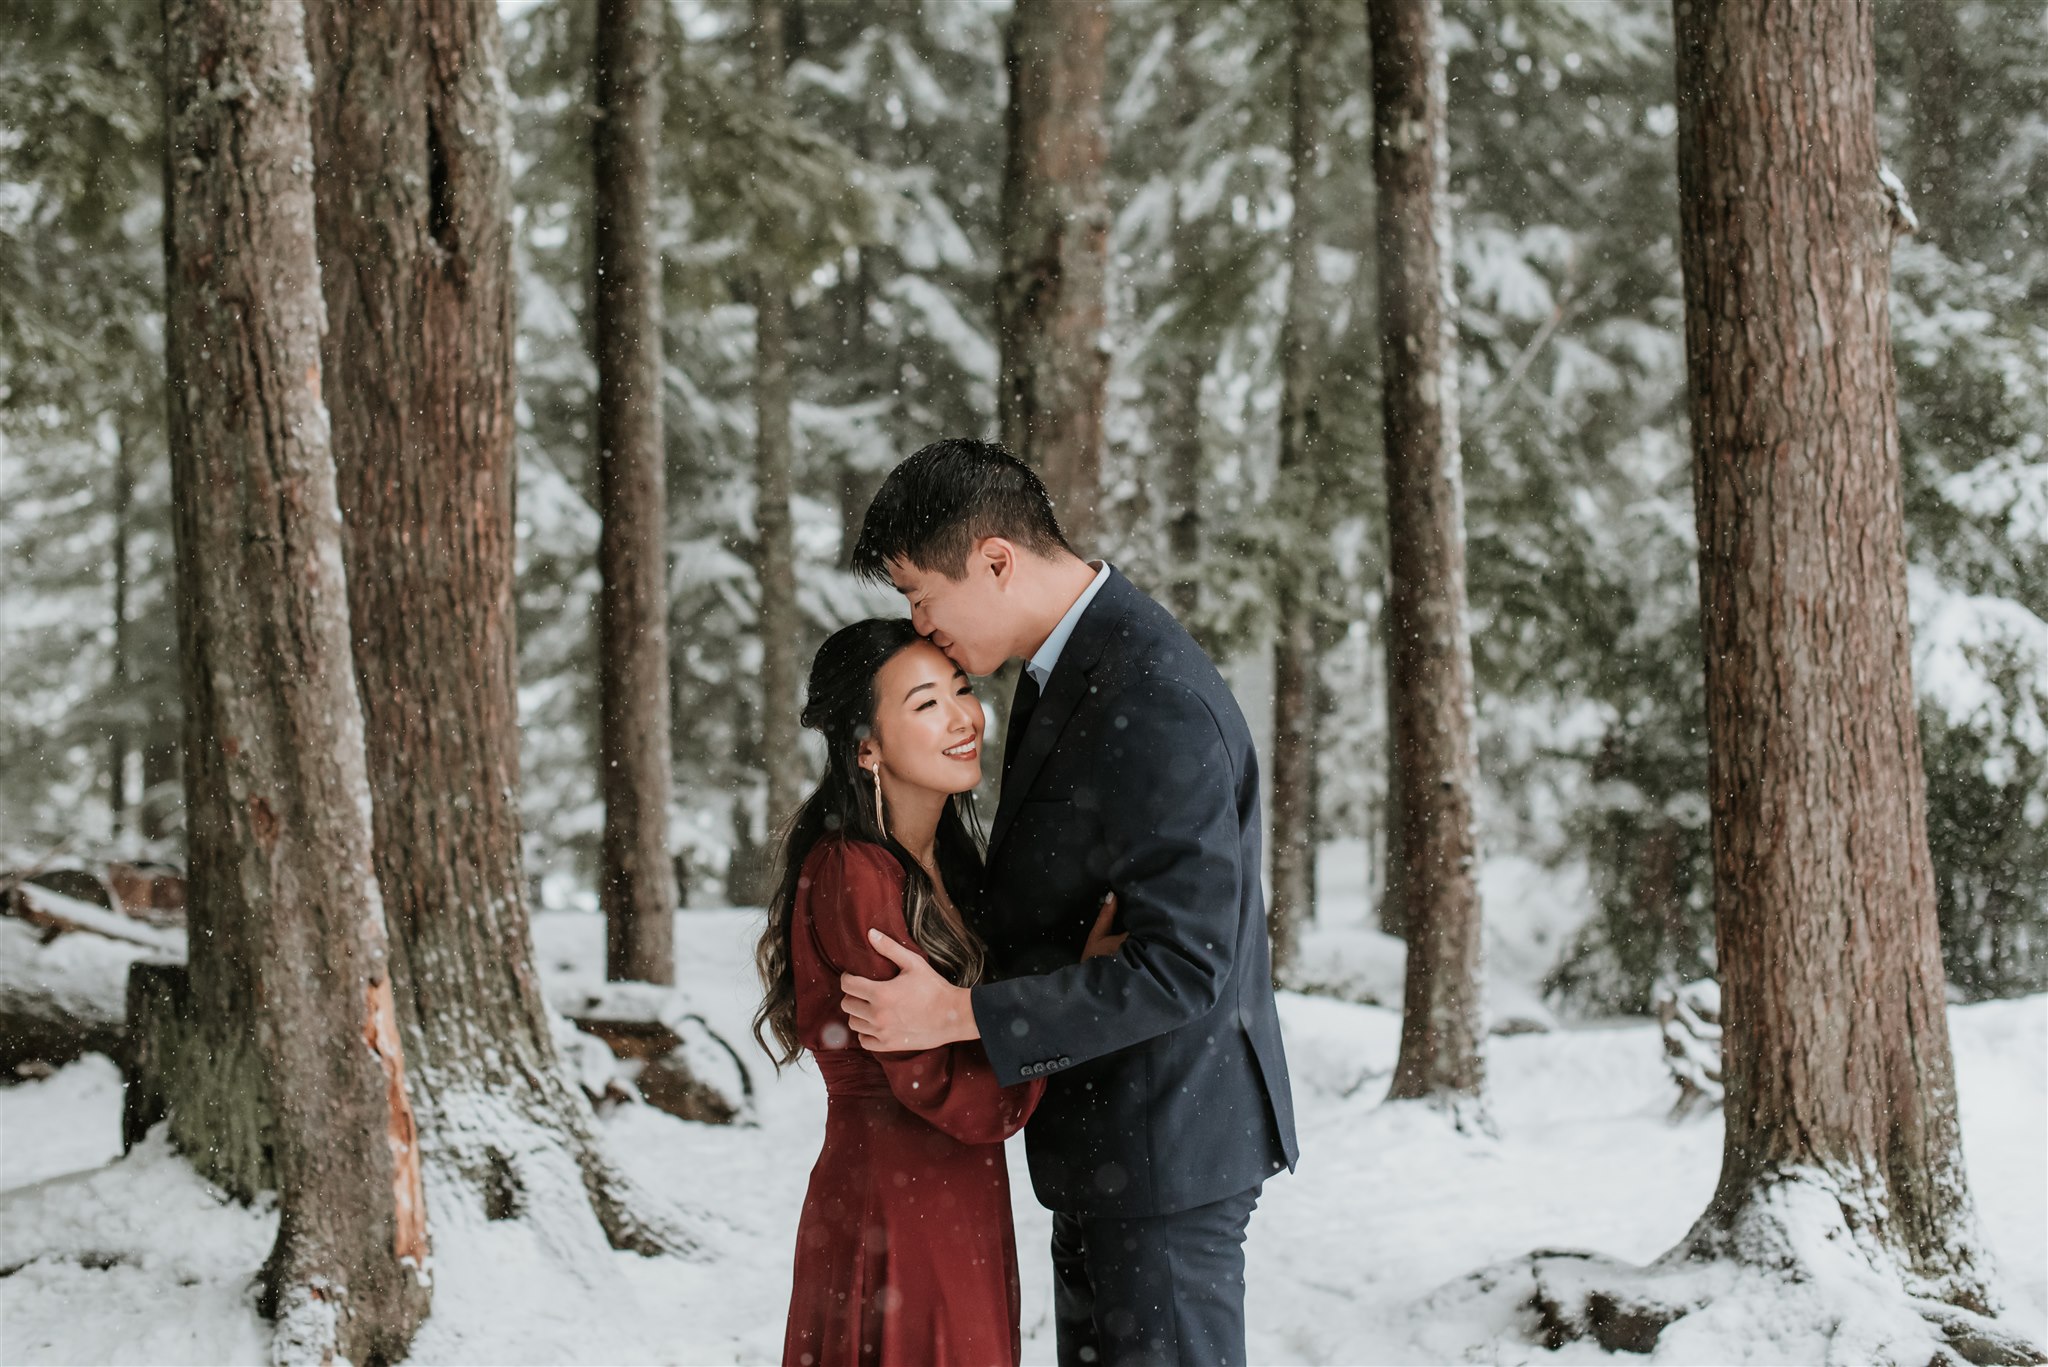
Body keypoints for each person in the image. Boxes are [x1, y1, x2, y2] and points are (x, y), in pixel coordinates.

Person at [839, 439, 1300, 1367]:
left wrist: (963, 1011)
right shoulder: (1075, 667)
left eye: (922, 595)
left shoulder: (1150, 690)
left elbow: (1183, 964)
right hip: (1111, 1140)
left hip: (1165, 1143)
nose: (922, 627)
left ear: (995, 561)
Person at [755, 617, 1121, 1367]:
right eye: (924, 703)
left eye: (962, 689)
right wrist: (1063, 1013)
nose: (963, 717)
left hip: (958, 1199)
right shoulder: (853, 872)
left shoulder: (950, 867)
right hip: (894, 1201)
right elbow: (943, 1084)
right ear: (866, 746)